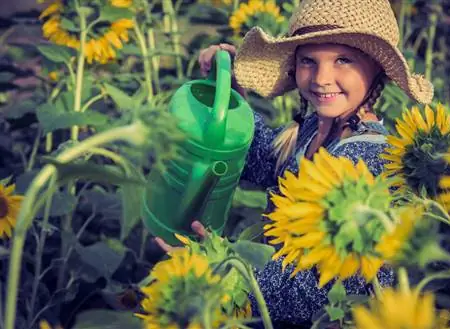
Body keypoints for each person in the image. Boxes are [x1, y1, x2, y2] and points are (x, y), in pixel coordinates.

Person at [156, 0, 434, 327]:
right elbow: (265, 160)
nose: (321, 77)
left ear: (376, 68)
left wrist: (217, 272)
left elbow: (313, 291)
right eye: (308, 61)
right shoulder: (313, 130)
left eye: (343, 60)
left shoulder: (366, 158)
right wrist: (233, 102)